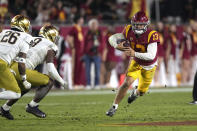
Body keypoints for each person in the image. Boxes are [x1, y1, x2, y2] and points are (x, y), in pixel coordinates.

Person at [0, 24, 67, 120]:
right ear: (51, 36)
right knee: (49, 81)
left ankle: (5, 108)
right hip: (21, 69)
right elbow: (50, 67)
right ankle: (32, 106)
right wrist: (61, 81)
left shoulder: (30, 38)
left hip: (10, 66)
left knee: (24, 87)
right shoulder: (50, 45)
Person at [106, 11, 160, 117]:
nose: (139, 26)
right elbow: (112, 38)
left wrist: (134, 53)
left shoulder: (152, 35)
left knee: (142, 91)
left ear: (146, 25)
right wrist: (117, 46)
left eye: (141, 24)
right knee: (126, 83)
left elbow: (151, 56)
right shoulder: (128, 30)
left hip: (149, 66)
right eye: (137, 24)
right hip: (136, 62)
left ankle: (136, 93)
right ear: (133, 23)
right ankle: (114, 107)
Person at [0, 15, 32, 100]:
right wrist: (24, 80)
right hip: (1, 64)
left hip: (3, 64)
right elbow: (21, 63)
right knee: (16, 93)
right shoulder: (26, 37)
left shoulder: (4, 32)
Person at [83, 19, 104, 89]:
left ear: (97, 25)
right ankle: (88, 84)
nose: (94, 26)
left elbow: (103, 43)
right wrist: (84, 53)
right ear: (89, 26)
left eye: (95, 25)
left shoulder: (100, 33)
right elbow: (84, 43)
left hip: (97, 54)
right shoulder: (87, 33)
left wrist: (100, 52)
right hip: (88, 54)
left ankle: (97, 84)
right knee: (87, 70)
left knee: (97, 70)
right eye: (92, 25)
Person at [67, 15, 86, 88]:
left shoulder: (80, 29)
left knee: (80, 67)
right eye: (82, 19)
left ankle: (78, 83)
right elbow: (69, 38)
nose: (83, 20)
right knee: (75, 67)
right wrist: (72, 47)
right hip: (76, 50)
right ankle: (74, 83)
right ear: (78, 20)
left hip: (81, 51)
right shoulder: (74, 28)